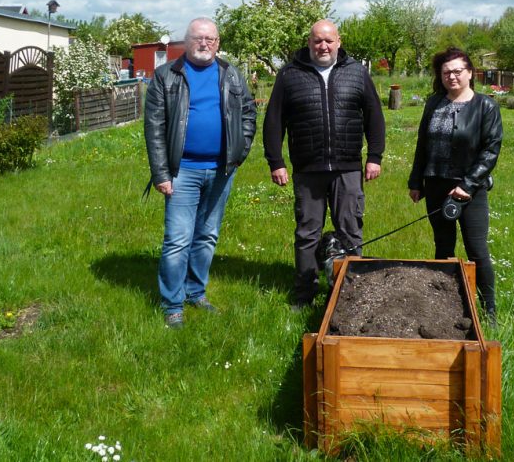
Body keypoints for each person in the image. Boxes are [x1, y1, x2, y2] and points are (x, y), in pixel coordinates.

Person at [264, 19, 386, 309]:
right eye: (317, 40)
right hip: (308, 169)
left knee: (350, 230)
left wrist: (375, 157)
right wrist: (276, 161)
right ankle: (304, 292)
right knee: (307, 233)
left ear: (338, 42)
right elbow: (273, 120)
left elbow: (374, 116)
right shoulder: (290, 74)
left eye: (328, 41)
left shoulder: (356, 73)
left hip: (348, 168)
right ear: (309, 43)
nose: (323, 46)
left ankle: (350, 292)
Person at [144, 17, 256, 328]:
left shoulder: (231, 74)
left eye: (210, 38)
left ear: (218, 43)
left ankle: (196, 292)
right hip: (182, 171)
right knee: (178, 239)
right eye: (197, 38)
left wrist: (239, 152)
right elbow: (154, 130)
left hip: (221, 170)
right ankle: (172, 304)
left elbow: (248, 112)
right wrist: (161, 173)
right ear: (186, 42)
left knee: (206, 236)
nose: (204, 43)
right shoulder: (167, 76)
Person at [407, 47, 502, 323]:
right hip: (436, 185)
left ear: (470, 73)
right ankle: (443, 304)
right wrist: (417, 181)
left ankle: (489, 309)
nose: (452, 77)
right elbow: (422, 145)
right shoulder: (434, 103)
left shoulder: (486, 106)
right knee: (443, 246)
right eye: (446, 72)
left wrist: (469, 184)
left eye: (458, 71)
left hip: (469, 190)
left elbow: (490, 150)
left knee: (476, 248)